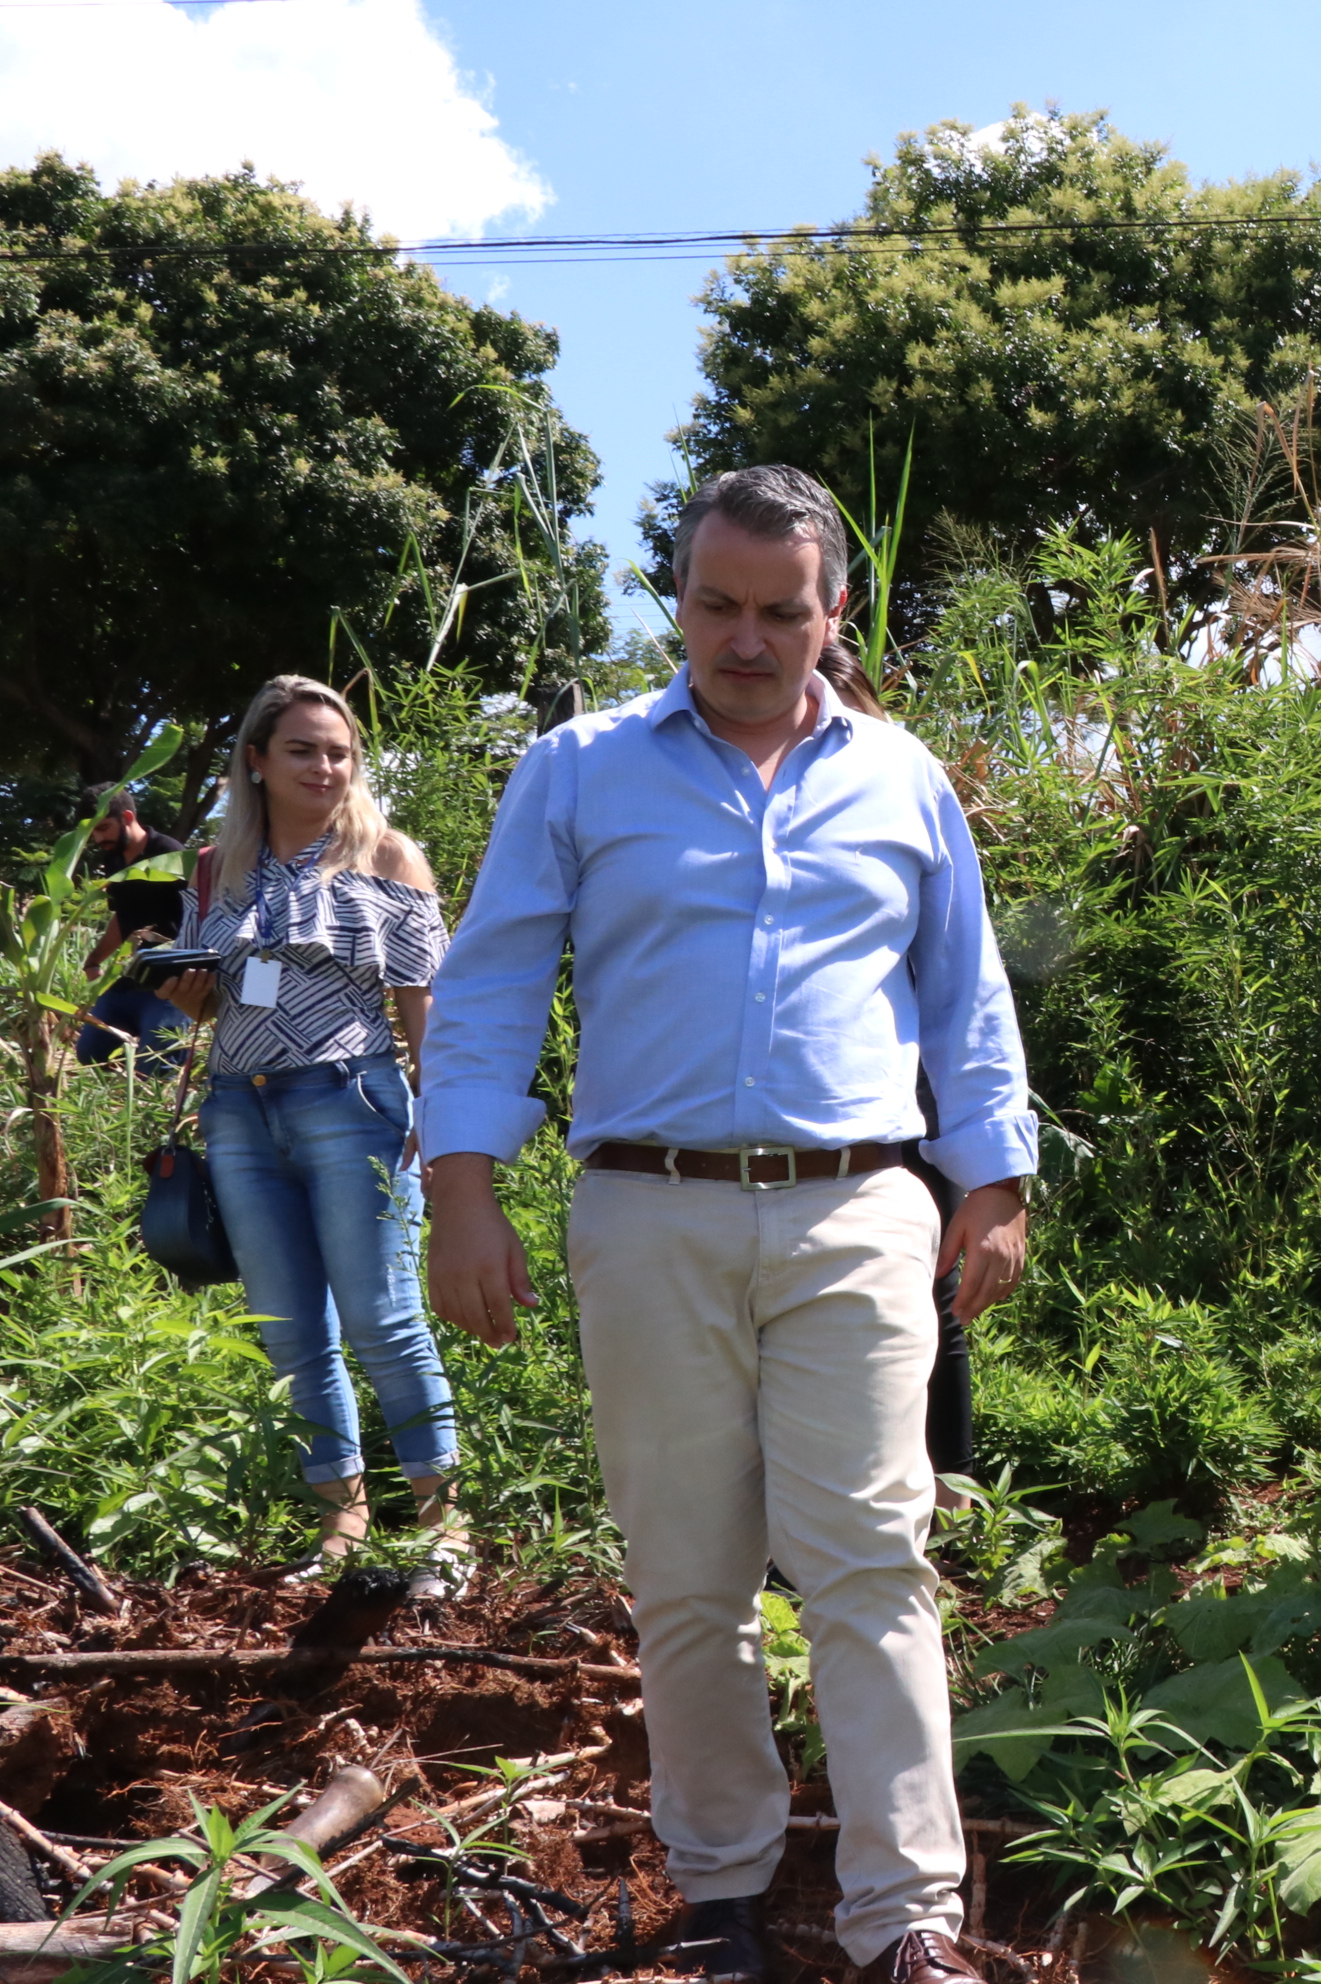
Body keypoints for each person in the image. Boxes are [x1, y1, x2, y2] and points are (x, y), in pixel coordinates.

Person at [420, 464, 1036, 1984]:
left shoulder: (902, 778)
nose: (745, 640)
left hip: (862, 1210)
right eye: (717, 605)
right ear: (678, 599)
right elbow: (493, 984)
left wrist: (998, 1181)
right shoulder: (579, 769)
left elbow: (965, 997)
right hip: (648, 1210)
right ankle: (722, 1893)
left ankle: (909, 1921)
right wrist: (462, 1190)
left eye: (783, 612)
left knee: (872, 1560)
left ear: (835, 616)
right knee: (687, 1572)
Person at [153, 678, 465, 1589]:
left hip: (352, 1101)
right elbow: (212, 997)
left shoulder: (389, 858)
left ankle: (446, 1523)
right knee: (291, 1328)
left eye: (339, 752)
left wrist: (441, 1123)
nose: (325, 767)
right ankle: (343, 1524)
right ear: (256, 760)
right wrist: (189, 993)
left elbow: (423, 1003)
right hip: (240, 1106)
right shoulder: (215, 869)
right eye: (303, 750)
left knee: (383, 1317)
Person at [79, 783, 191, 1066]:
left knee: (155, 1065)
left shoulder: (169, 853)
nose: (97, 838)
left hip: (169, 983)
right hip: (127, 979)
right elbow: (122, 918)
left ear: (127, 817)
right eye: (93, 831)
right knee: (90, 1055)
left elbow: (203, 914)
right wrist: (94, 961)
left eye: (103, 828)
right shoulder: (114, 860)